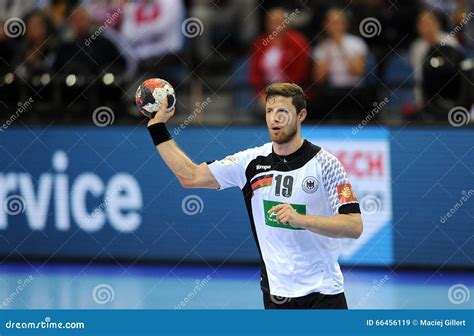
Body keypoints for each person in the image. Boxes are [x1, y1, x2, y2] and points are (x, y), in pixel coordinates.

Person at [146, 82, 363, 309]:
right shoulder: (250, 162)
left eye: (282, 112)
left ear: (301, 115)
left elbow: (354, 226)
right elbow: (190, 176)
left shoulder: (326, 164)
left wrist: (302, 220)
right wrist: (157, 128)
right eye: (270, 111)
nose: (274, 118)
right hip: (277, 295)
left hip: (324, 292)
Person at [311, 8, 369, 121]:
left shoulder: (357, 43)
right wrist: (327, 54)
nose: (334, 26)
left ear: (345, 24)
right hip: (332, 92)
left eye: (337, 22)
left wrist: (340, 46)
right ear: (325, 25)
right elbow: (318, 79)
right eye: (330, 23)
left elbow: (358, 72)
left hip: (354, 91)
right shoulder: (321, 47)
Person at [249, 8, 311, 110]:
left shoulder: (298, 42)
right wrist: (261, 93)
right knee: (263, 106)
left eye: (278, 21)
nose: (274, 24)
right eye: (271, 21)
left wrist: (283, 94)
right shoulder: (260, 43)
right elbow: (255, 74)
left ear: (286, 23)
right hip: (267, 91)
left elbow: (300, 73)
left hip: (293, 91)